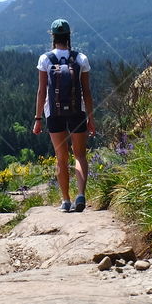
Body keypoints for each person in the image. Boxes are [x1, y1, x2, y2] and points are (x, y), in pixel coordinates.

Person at [33, 18, 95, 212]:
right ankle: (81, 195)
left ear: (53, 37)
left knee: (61, 157)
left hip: (53, 112)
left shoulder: (45, 59)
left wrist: (38, 119)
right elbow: (86, 91)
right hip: (78, 111)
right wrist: (90, 118)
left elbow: (41, 91)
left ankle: (65, 200)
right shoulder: (81, 58)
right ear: (69, 36)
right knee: (80, 155)